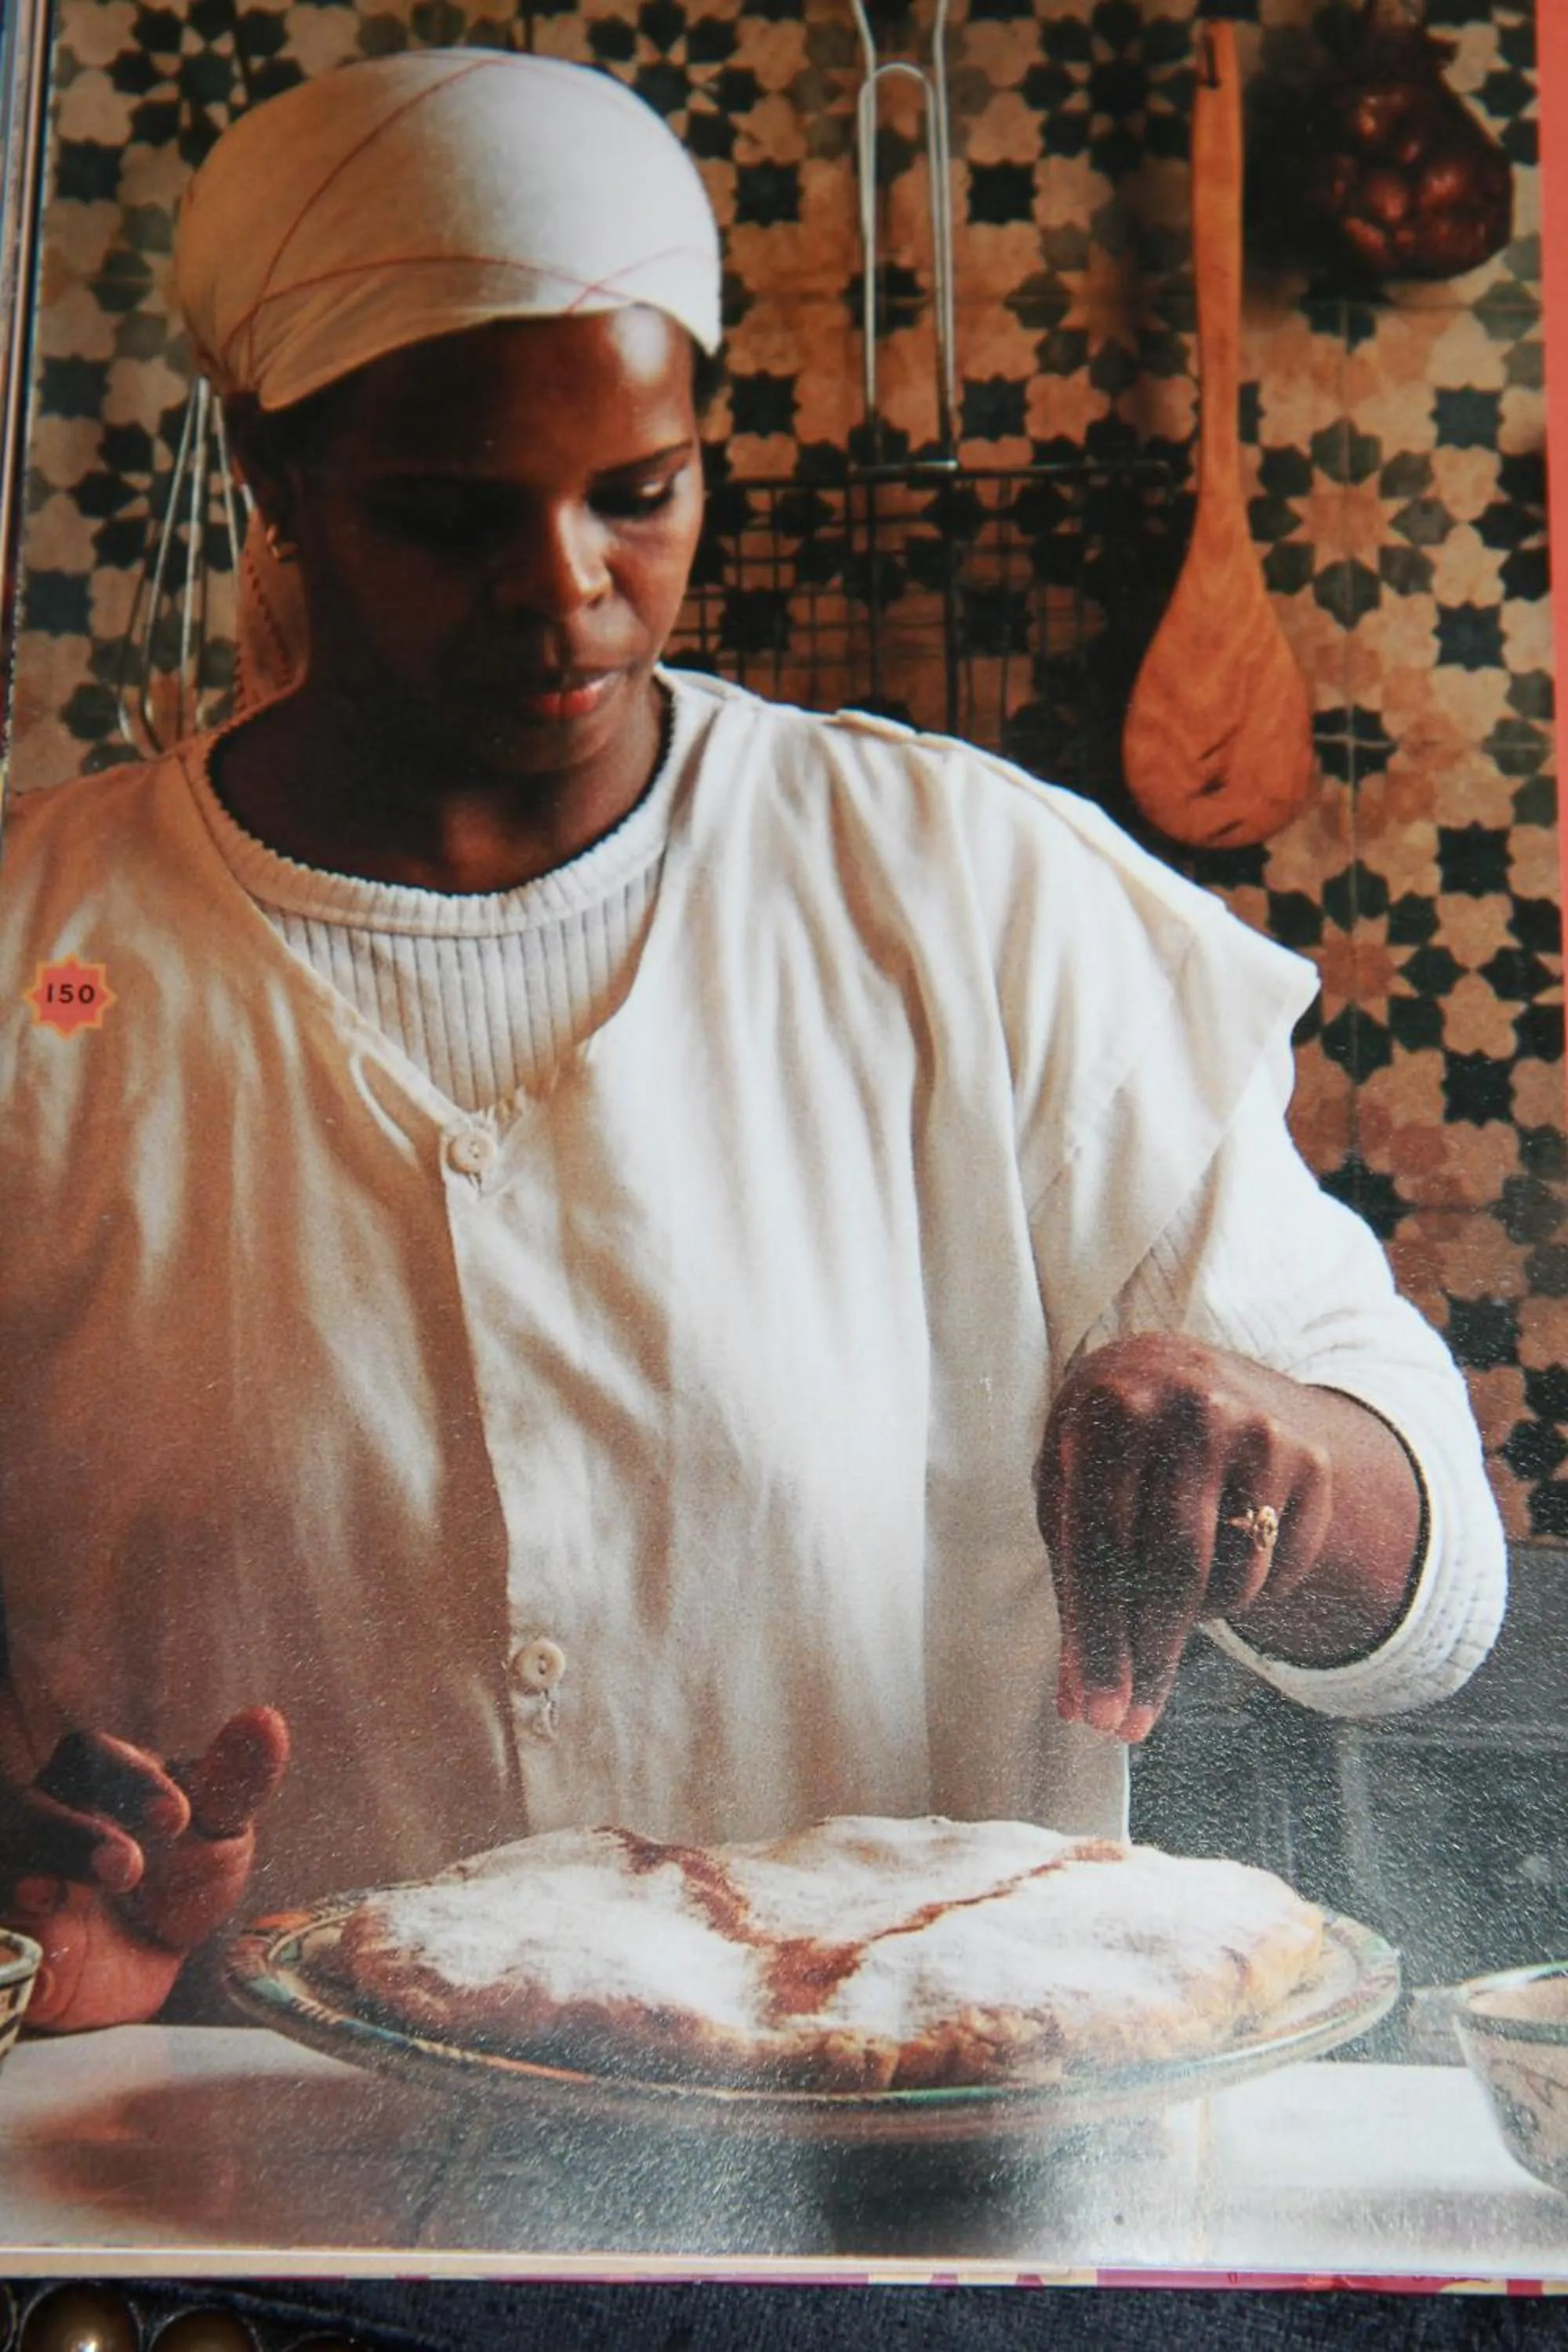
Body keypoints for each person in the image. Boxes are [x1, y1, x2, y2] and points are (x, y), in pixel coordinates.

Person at [0, 50, 1505, 2034]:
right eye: (450, 517)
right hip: (218, 2174)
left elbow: (1430, 1590)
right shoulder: (40, 953)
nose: (569, 585)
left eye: (637, 494)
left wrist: (1281, 1470)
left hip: (898, 2175)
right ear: (274, 476)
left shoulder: (968, 892)